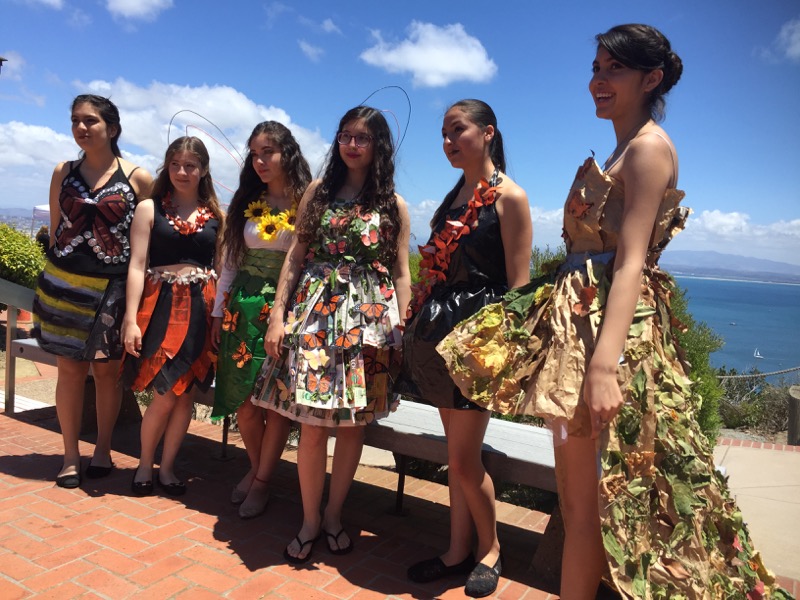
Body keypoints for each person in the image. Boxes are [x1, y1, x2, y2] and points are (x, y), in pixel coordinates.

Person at [438, 25, 793, 600]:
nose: (597, 81)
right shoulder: (623, 148)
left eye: (614, 70)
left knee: (589, 506)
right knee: (582, 505)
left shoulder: (649, 148)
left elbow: (630, 263)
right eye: (596, 68)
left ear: (651, 79)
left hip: (604, 342)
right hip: (579, 332)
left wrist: (603, 367)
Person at [258, 106, 411, 564]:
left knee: (351, 429)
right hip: (316, 317)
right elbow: (295, 256)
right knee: (311, 425)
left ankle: (333, 515)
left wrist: (402, 325)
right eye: (345, 135)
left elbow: (402, 271)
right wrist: (277, 315)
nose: (351, 144)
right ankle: (308, 519)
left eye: (362, 137)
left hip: (368, 323)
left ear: (378, 145)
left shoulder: (392, 205)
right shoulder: (317, 194)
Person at [397, 99, 532, 598]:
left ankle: (491, 550)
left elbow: (518, 286)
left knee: (463, 460)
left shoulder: (510, 197)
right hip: (439, 339)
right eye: (444, 133)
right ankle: (456, 552)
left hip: (477, 342)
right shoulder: (457, 194)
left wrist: (499, 354)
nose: (449, 141)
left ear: (488, 133)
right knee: (457, 457)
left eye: (458, 130)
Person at [32, 94, 152, 489]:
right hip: (64, 285)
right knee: (68, 372)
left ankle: (102, 448)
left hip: (112, 291)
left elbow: (144, 242)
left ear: (112, 128)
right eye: (75, 121)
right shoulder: (62, 171)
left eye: (90, 121)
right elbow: (56, 225)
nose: (81, 128)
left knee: (106, 374)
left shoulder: (138, 177)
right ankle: (69, 456)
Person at [210, 122, 311, 518]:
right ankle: (257, 472)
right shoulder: (246, 201)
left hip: (285, 312)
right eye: (254, 153)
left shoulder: (306, 202)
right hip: (243, 309)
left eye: (268, 151)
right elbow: (231, 261)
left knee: (274, 404)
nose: (260, 160)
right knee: (246, 403)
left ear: (288, 153)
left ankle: (263, 482)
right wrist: (219, 310)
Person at [122, 136, 223, 497]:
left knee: (186, 396)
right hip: (161, 306)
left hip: (201, 309)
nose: (182, 171)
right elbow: (136, 265)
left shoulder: (216, 216)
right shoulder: (149, 209)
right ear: (168, 166)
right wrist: (130, 319)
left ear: (203, 170)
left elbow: (222, 270)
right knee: (164, 392)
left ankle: (167, 469)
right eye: (176, 164)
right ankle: (144, 465)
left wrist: (218, 320)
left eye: (191, 165)